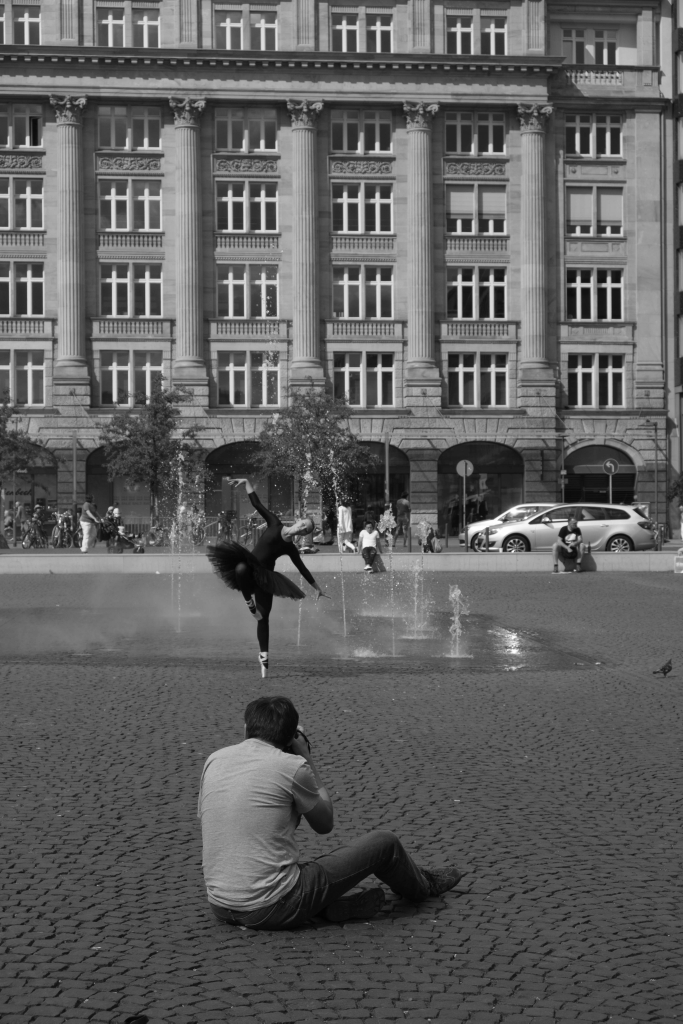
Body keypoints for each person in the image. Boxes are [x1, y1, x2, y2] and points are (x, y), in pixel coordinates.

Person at [198, 696, 462, 931]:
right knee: (385, 843)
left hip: (221, 903)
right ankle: (424, 885)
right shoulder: (291, 766)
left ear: (246, 729)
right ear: (290, 738)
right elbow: (325, 824)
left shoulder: (215, 759)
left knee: (280, 865)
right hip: (271, 906)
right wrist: (306, 758)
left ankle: (329, 907)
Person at [207, 478, 327, 677]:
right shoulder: (274, 523)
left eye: (304, 530)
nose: (301, 528)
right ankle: (249, 602)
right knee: (240, 569)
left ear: (303, 534)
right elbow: (256, 504)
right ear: (298, 521)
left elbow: (302, 568)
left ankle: (264, 656)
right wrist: (246, 482)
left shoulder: (290, 548)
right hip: (250, 567)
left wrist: (317, 588)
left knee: (263, 618)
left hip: (266, 578)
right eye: (302, 524)